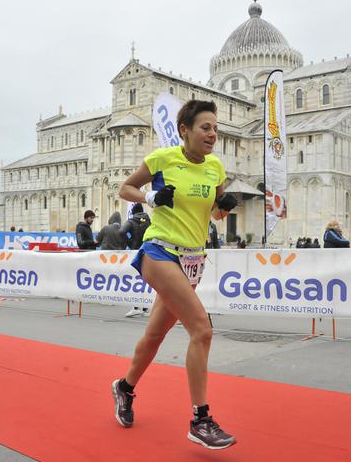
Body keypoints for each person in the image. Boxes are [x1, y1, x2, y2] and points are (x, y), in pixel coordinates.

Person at [112, 100, 238, 449]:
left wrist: (223, 208)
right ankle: (201, 419)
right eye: (205, 127)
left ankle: (124, 387)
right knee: (201, 327)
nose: (212, 134)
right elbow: (125, 189)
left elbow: (214, 214)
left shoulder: (215, 167)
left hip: (192, 258)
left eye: (215, 128)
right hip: (159, 252)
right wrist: (151, 196)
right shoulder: (163, 159)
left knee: (154, 336)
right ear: (185, 130)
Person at [123, 204, 151, 317]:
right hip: (146, 251)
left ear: (133, 212)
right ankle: (145, 308)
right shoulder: (149, 221)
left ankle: (135, 307)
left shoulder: (131, 221)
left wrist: (130, 243)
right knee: (144, 280)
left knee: (134, 279)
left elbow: (121, 232)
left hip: (135, 252)